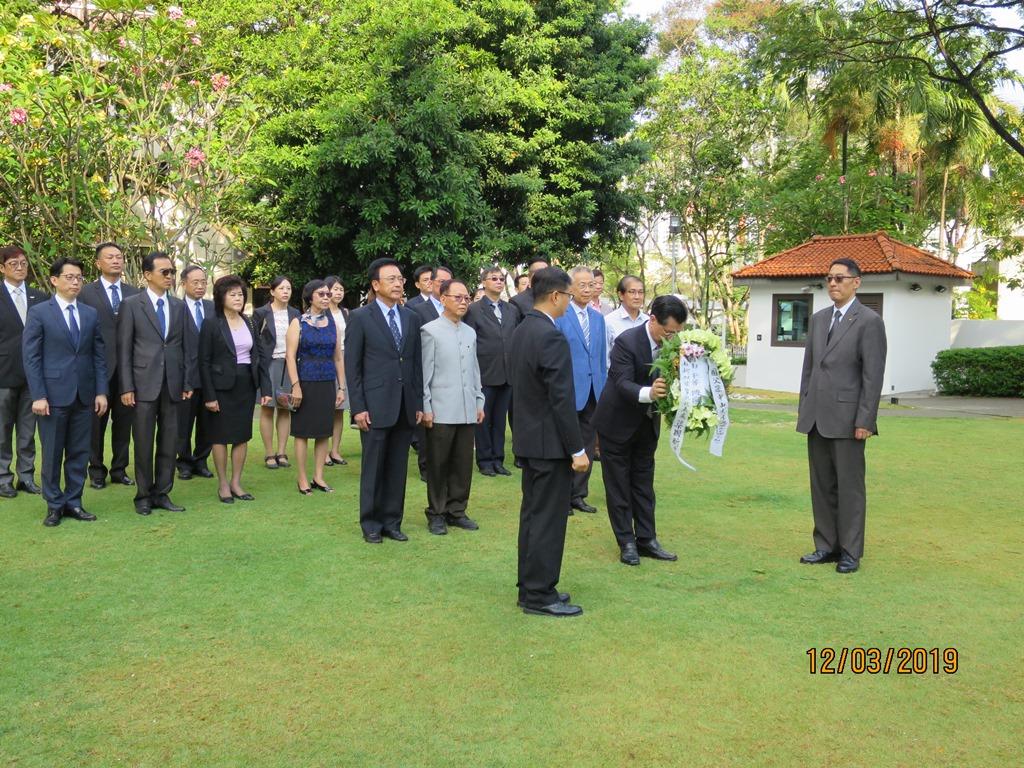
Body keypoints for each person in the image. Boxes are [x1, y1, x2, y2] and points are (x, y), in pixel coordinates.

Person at [797, 258, 887, 575]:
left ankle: (850, 550)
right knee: (821, 485)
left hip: (849, 420)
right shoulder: (819, 319)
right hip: (816, 418)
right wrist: (804, 407)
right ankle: (826, 546)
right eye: (829, 278)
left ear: (856, 282)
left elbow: (872, 376)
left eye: (839, 278)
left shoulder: (869, 321)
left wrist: (865, 420)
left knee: (850, 487)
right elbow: (810, 369)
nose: (833, 283)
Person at [510, 266, 589, 617]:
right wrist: (577, 448)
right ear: (556, 296)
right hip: (549, 444)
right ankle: (539, 595)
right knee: (547, 520)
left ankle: (532, 586)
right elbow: (561, 397)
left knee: (533, 517)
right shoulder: (550, 336)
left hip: (529, 439)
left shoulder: (522, 329)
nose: (570, 304)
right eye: (569, 297)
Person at [594, 295, 688, 565]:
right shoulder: (627, 342)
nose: (672, 338)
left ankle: (647, 540)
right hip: (616, 425)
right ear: (653, 319)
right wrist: (650, 392)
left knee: (644, 485)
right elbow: (622, 382)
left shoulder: (675, 343)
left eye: (677, 333)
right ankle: (626, 542)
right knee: (619, 486)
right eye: (669, 332)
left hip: (647, 425)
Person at [22, 258, 107, 526]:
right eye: (69, 277)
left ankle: (74, 501)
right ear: (54, 280)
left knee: (80, 452)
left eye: (79, 277)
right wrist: (38, 395)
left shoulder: (90, 313)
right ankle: (54, 504)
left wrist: (101, 391)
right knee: (52, 453)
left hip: (84, 394)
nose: (74, 282)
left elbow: (98, 356)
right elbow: (31, 357)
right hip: (52, 395)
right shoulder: (39, 313)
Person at [345, 258, 423, 543]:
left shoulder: (411, 317)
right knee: (374, 466)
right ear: (375, 285)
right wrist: (359, 408)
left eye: (400, 278)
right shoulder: (360, 317)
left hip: (404, 404)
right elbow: (352, 367)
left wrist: (418, 404)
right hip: (375, 404)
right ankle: (371, 523)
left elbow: (416, 364)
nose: (398, 283)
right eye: (391, 279)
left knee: (397, 466)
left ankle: (393, 521)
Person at [117, 252, 195, 515]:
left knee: (170, 441)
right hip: (142, 385)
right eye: (165, 272)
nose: (170, 276)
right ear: (147, 275)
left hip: (173, 384)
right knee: (142, 441)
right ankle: (143, 496)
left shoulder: (179, 306)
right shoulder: (131, 304)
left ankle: (163, 493)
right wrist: (126, 387)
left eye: (172, 271)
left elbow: (185, 348)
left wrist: (187, 381)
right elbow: (124, 349)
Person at [420, 278, 485, 535]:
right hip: (440, 409)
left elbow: (475, 370)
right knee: (438, 464)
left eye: (466, 297)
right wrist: (426, 406)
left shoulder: (470, 331)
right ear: (443, 298)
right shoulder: (430, 330)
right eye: (457, 297)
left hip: (467, 407)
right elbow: (425, 373)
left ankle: (457, 510)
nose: (463, 302)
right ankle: (436, 512)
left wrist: (479, 400)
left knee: (462, 463)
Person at [200, 276, 268, 504]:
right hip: (220, 388)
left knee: (241, 436)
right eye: (233, 294)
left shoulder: (249, 321)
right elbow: (204, 361)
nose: (238, 298)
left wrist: (264, 388)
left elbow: (259, 355)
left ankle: (236, 482)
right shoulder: (211, 323)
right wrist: (209, 396)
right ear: (221, 297)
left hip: (245, 386)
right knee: (220, 437)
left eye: (240, 294)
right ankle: (222, 484)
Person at [78, 242, 139, 490]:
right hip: (97, 368)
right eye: (110, 257)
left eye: (119, 256)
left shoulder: (134, 293)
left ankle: (119, 469)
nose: (116, 260)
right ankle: (96, 470)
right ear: (98, 263)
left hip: (128, 369)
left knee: (124, 423)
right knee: (95, 424)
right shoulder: (85, 292)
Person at [554, 266, 607, 515]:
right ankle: (562, 496)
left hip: (594, 392)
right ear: (571, 288)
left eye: (591, 284)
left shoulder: (598, 318)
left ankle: (579, 494)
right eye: (582, 285)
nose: (588, 289)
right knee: (567, 443)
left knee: (587, 442)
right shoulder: (561, 315)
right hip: (569, 389)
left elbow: (600, 358)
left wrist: (604, 390)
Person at [286, 280, 345, 495]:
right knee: (301, 433)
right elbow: (290, 357)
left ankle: (318, 476)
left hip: (327, 383)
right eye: (321, 294)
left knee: (323, 432)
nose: (326, 297)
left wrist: (341, 388)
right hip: (305, 382)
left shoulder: (333, 324)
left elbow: (338, 358)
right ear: (310, 297)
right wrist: (296, 386)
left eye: (328, 294)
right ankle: (302, 478)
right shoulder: (298, 323)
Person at [0, 245, 46, 499]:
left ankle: (26, 476)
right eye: (13, 264)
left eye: (23, 263)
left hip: (33, 376)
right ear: (2, 268)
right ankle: (3, 478)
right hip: (3, 373)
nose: (20, 268)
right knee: (2, 431)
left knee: (28, 431)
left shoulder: (39, 297)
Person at [464, 266, 520, 476]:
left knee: (499, 420)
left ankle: (498, 459)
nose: (498, 281)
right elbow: (470, 342)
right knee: (483, 420)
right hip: (485, 373)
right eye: (493, 278)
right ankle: (485, 461)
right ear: (484, 282)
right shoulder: (474, 309)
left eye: (501, 278)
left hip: (507, 373)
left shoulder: (511, 309)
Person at [253, 276, 300, 470]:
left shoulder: (295, 313)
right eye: (281, 288)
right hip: (268, 365)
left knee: (285, 408)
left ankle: (282, 452)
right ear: (272, 291)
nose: (286, 292)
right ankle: (269, 452)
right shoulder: (260, 313)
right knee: (267, 408)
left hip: (289, 364)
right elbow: (255, 342)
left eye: (288, 288)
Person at [410, 265, 451, 481]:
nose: (444, 286)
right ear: (432, 283)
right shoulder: (417, 310)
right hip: (426, 373)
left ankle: (447, 465)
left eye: (448, 282)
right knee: (427, 423)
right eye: (440, 282)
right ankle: (426, 467)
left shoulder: (457, 309)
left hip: (450, 375)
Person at [176, 264, 215, 480]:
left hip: (209, 377)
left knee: (207, 422)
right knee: (183, 423)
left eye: (203, 282)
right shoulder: (175, 308)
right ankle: (183, 462)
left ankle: (201, 460)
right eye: (195, 282)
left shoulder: (212, 308)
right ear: (184, 284)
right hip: (185, 376)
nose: (200, 286)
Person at [324, 275, 350, 467]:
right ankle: (323, 451)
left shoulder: (347, 313)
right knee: (325, 408)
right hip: (326, 361)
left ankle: (335, 450)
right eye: (335, 289)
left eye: (341, 289)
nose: (338, 293)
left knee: (339, 409)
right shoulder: (320, 312)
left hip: (345, 360)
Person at [604, 275, 649, 366]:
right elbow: (605, 358)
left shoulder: (648, 322)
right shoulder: (608, 321)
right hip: (617, 377)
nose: (637, 297)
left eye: (640, 292)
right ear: (621, 295)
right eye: (632, 292)